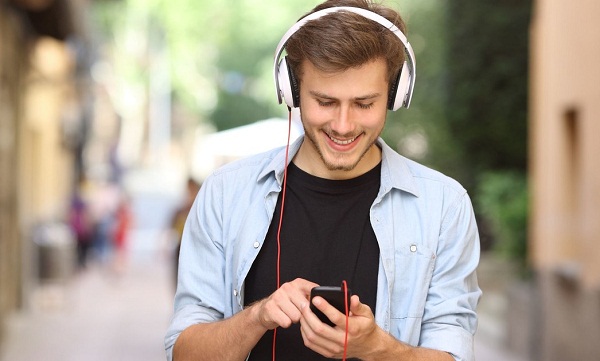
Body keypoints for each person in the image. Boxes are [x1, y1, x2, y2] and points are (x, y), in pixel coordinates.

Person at [165, 0, 481, 360]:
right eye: (325, 101)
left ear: (395, 95)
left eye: (364, 104)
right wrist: (257, 316)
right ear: (292, 90)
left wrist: (377, 348)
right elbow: (184, 353)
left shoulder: (444, 206)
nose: (343, 125)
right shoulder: (224, 194)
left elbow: (453, 353)